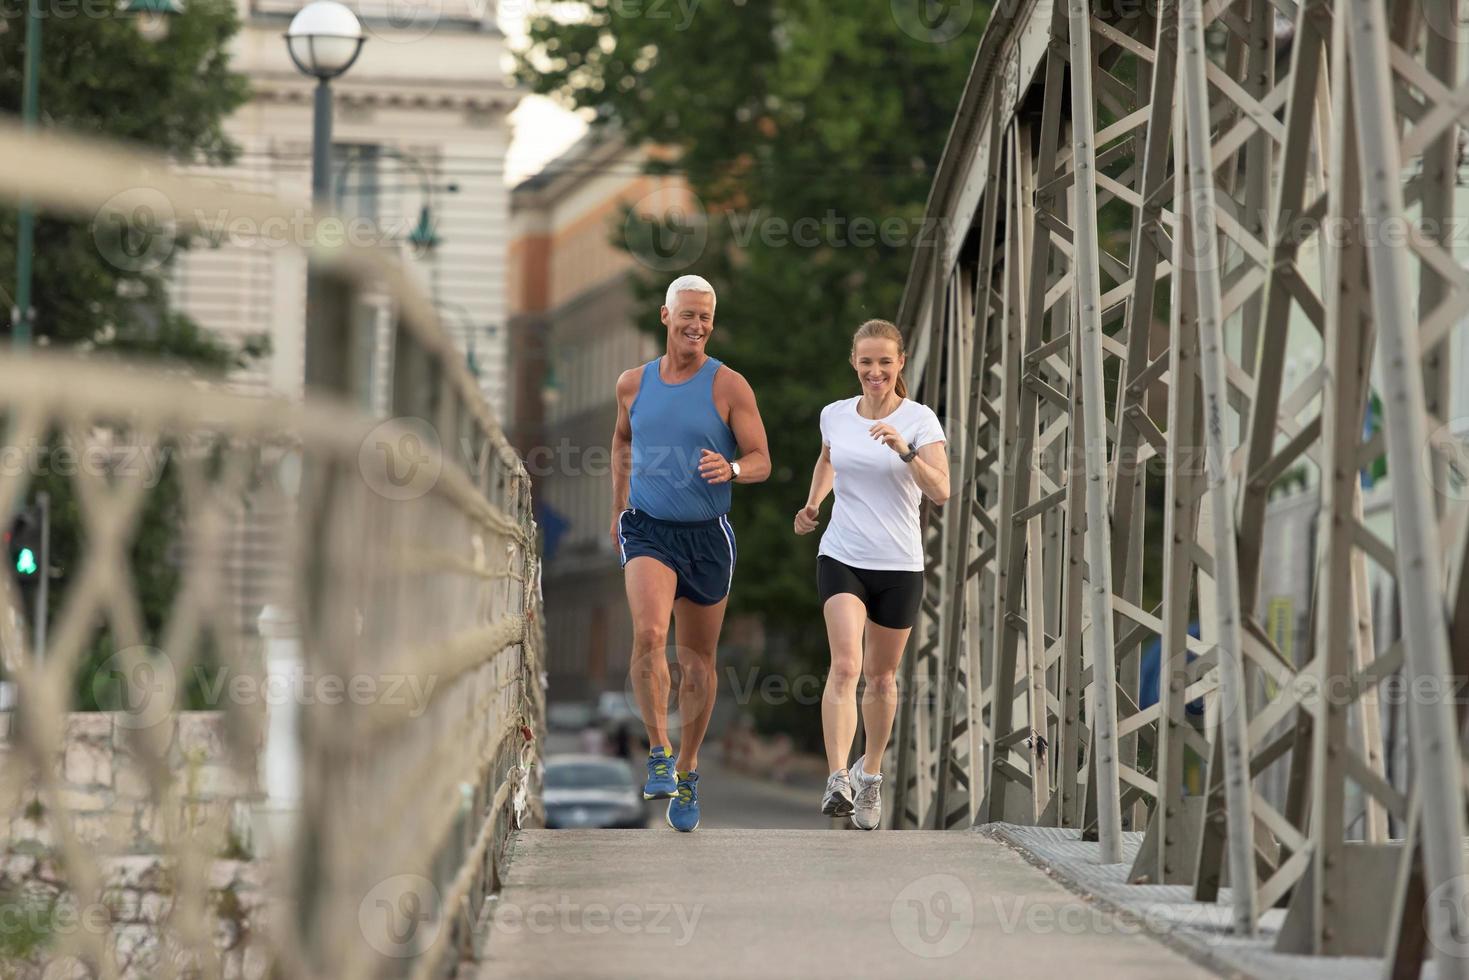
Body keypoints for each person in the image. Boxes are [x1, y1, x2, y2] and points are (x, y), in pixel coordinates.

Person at [611, 274, 771, 832]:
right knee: (651, 634)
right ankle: (657, 750)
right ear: (665, 316)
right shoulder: (633, 384)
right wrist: (618, 507)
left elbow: (761, 460)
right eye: (688, 315)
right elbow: (623, 440)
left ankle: (688, 766)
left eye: (706, 317)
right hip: (649, 529)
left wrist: (731, 468)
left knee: (697, 663)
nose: (697, 326)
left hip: (708, 535)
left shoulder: (729, 386)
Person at [793, 318, 949, 830]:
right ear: (854, 363)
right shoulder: (835, 415)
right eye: (866, 362)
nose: (875, 371)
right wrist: (815, 501)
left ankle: (871, 775)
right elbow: (827, 460)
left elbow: (941, 491)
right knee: (845, 664)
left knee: (881, 677)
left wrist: (904, 450)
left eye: (885, 362)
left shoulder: (921, 420)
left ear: (900, 362)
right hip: (842, 554)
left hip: (899, 564)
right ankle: (838, 775)